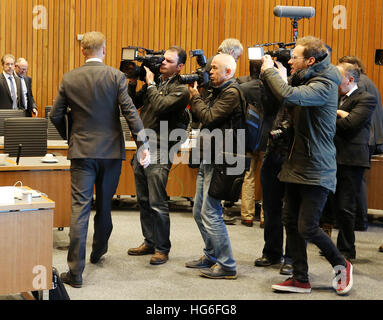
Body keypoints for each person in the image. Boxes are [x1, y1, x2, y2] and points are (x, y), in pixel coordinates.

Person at [50, 31, 149, 288]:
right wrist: (142, 143)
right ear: (104, 50)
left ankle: (75, 272)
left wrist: (70, 137)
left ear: (83, 51)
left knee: (79, 209)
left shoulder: (69, 78)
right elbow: (129, 112)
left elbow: (55, 115)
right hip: (110, 152)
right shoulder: (116, 76)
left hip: (82, 152)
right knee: (105, 205)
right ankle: (98, 252)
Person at [261, 36, 353, 295]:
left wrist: (270, 72)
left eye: (294, 57)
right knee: (290, 220)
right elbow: (284, 98)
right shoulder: (306, 78)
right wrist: (280, 76)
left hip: (316, 165)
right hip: (295, 162)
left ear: (310, 61)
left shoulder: (323, 83)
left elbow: (288, 95)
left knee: (307, 226)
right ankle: (300, 278)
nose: (289, 60)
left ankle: (341, 263)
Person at [127, 46, 190, 265]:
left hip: (162, 149)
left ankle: (162, 248)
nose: (162, 63)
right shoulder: (157, 84)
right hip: (143, 146)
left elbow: (162, 107)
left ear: (180, 66)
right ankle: (149, 241)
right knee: (143, 200)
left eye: (168, 61)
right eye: (162, 59)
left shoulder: (181, 90)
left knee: (157, 201)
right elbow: (133, 103)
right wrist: (134, 80)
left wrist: (151, 82)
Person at [185, 53, 242, 280]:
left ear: (228, 72)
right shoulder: (217, 90)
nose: (210, 71)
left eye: (215, 68)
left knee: (211, 213)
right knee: (199, 211)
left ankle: (227, 264)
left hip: (222, 159)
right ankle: (211, 255)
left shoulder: (232, 92)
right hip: (208, 156)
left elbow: (208, 117)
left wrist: (196, 97)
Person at [332, 62, 376, 260]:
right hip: (335, 157)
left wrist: (336, 114)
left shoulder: (366, 98)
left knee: (346, 206)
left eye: (338, 76)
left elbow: (350, 124)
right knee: (335, 205)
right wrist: (340, 113)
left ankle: (347, 249)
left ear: (350, 79)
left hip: (352, 159)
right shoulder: (337, 98)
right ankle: (337, 247)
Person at [339, 56, 383, 231]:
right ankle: (358, 219)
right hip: (372, 135)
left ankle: (359, 220)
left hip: (364, 138)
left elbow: (351, 120)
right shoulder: (367, 81)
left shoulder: (360, 86)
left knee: (354, 183)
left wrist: (340, 114)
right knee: (355, 183)